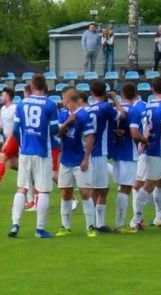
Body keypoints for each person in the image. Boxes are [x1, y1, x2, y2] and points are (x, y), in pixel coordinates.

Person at [7, 75, 59, 239]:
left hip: (25, 151)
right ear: (45, 86)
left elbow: (15, 129)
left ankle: (15, 224)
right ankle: (40, 229)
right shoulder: (50, 104)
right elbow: (55, 130)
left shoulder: (22, 104)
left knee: (22, 188)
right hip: (42, 152)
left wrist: (23, 143)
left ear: (32, 86)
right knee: (43, 190)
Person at [82, 80, 127, 233]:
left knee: (103, 188)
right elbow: (122, 115)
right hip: (99, 152)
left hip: (89, 151)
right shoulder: (105, 107)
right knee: (98, 189)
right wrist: (115, 99)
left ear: (92, 92)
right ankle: (94, 224)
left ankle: (99, 223)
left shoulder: (87, 109)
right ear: (104, 92)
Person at [130, 77, 161, 230]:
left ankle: (160, 218)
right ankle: (136, 219)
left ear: (152, 90)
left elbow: (146, 128)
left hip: (147, 148)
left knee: (160, 182)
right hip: (157, 150)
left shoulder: (147, 106)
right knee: (149, 185)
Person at [54, 88, 95, 237]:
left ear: (69, 100)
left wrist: (86, 158)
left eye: (63, 99)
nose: (62, 102)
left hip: (80, 160)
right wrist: (67, 122)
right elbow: (58, 133)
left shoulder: (83, 115)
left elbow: (90, 138)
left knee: (85, 192)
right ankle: (65, 226)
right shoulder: (64, 114)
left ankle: (90, 226)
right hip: (66, 159)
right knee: (65, 192)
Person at [109, 82, 141, 232]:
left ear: (122, 94)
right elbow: (134, 134)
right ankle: (120, 224)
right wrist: (144, 139)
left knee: (121, 187)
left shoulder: (115, 109)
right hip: (128, 152)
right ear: (135, 94)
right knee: (126, 188)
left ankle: (113, 223)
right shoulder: (134, 111)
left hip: (116, 152)